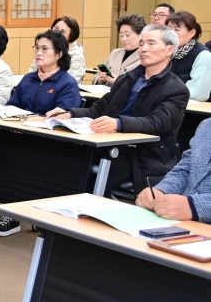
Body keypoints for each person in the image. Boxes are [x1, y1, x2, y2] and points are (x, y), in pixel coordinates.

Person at [46, 24, 189, 196]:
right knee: (58, 164)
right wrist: (70, 113)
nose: (143, 49)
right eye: (141, 43)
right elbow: (99, 109)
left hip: (141, 155)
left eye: (151, 43)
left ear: (169, 50)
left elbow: (156, 123)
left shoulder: (176, 89)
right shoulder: (127, 79)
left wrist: (118, 123)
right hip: (105, 144)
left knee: (83, 178)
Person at [136, 119, 211, 224]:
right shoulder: (207, 126)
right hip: (186, 223)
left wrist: (194, 206)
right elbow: (186, 170)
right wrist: (161, 191)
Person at [8, 30, 82, 116]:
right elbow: (12, 107)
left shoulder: (68, 83)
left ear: (59, 54)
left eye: (44, 49)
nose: (39, 53)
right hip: (21, 123)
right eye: (37, 48)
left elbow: (62, 115)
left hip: (47, 123)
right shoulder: (28, 79)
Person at [166, 11, 211, 102]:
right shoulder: (167, 51)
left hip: (191, 108)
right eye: (168, 28)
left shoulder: (203, 55)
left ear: (191, 33)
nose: (170, 33)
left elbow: (198, 94)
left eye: (176, 29)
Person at [28, 16, 86, 82]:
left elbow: (72, 80)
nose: (57, 33)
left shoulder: (76, 54)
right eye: (56, 29)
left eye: (63, 32)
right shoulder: (44, 48)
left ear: (71, 36)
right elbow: (32, 72)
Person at [94, 14, 146, 86]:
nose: (124, 39)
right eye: (121, 35)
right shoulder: (115, 53)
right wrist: (100, 79)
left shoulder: (144, 56)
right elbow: (96, 77)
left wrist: (118, 83)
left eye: (127, 35)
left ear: (141, 35)